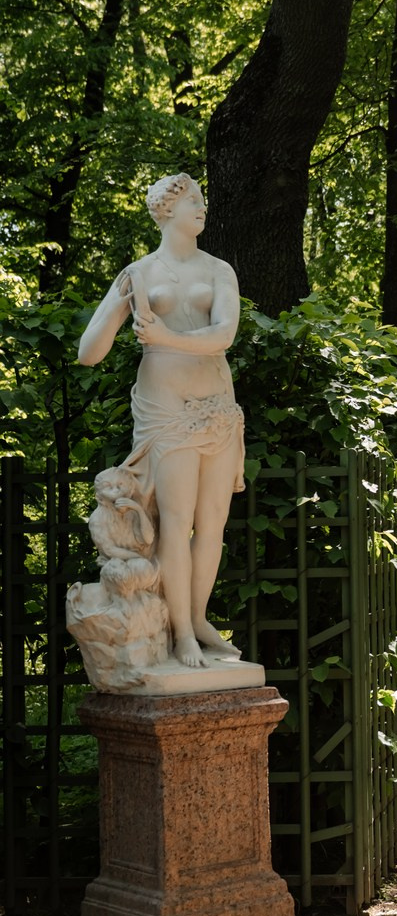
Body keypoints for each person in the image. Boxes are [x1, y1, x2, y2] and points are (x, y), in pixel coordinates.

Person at [77, 172, 246, 671]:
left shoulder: (219, 269)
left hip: (217, 406)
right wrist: (118, 305)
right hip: (166, 408)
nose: (202, 207)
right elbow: (88, 353)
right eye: (194, 199)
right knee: (175, 521)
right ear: (167, 209)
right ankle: (181, 633)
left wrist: (165, 337)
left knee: (212, 523)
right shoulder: (139, 273)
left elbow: (224, 335)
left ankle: (196, 618)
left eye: (202, 199)